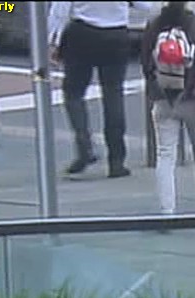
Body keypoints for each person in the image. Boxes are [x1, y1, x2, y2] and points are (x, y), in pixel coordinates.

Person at [48, 0, 153, 178]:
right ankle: (117, 160)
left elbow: (60, 10)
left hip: (82, 33)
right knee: (113, 94)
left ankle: (85, 147)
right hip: (116, 34)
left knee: (74, 93)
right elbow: (146, 6)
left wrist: (53, 41)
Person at [142, 1, 195, 214]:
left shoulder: (154, 24)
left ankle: (167, 210)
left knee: (165, 155)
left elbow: (146, 62)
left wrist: (155, 89)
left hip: (164, 98)